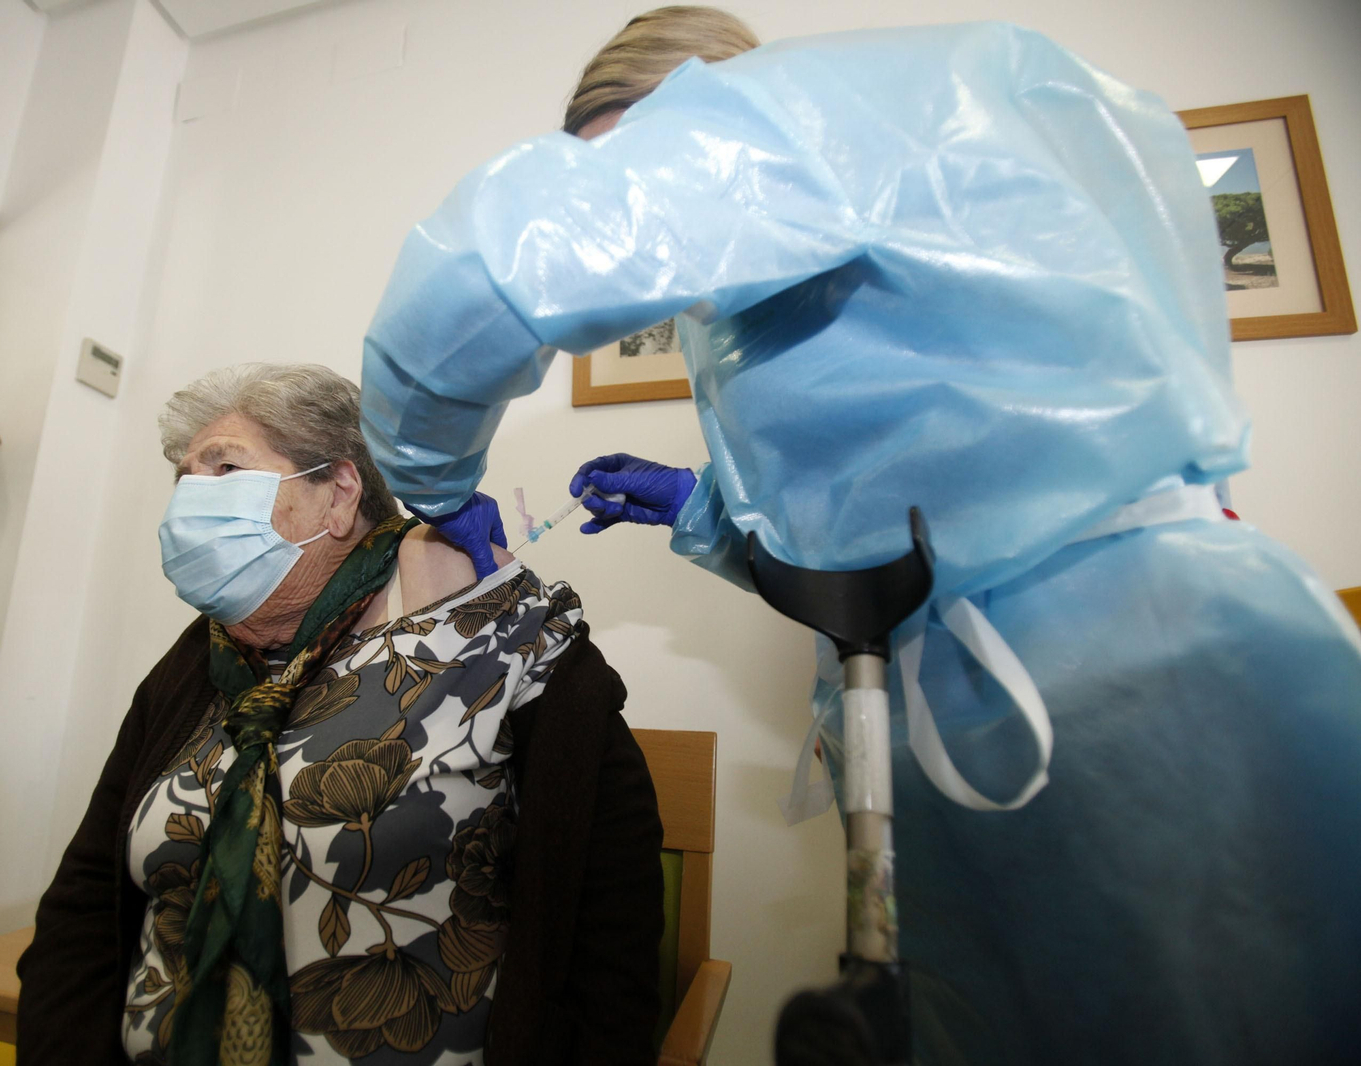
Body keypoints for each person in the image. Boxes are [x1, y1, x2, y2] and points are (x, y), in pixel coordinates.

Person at [357, 8, 1361, 1065]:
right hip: (1008, 689)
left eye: (627, 162)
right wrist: (705, 509)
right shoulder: (854, 209)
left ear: (695, 104)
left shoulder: (809, 123)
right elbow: (919, 506)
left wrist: (432, 479)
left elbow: (473, 285)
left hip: (1132, 687)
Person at [16, 364, 664, 1066]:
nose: (192, 498)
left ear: (340, 494)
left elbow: (610, 934)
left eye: (224, 467)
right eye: (184, 480)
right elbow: (84, 901)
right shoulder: (193, 668)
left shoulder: (490, 632)